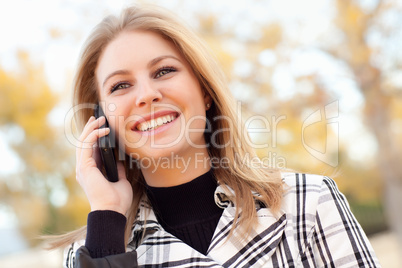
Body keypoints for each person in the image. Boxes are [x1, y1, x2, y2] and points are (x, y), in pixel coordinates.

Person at [54, 4, 380, 267]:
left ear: (205, 91)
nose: (147, 94)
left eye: (164, 70)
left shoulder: (308, 204)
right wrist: (109, 215)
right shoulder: (92, 251)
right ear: (101, 120)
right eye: (120, 86)